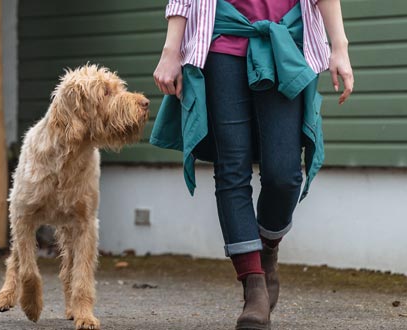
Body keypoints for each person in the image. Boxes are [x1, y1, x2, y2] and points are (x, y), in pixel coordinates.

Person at [150, 0, 354, 328]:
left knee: (284, 174)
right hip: (220, 42)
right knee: (232, 168)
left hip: (284, 41)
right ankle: (253, 286)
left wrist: (339, 46)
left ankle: (267, 247)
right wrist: (171, 49)